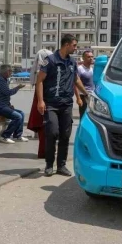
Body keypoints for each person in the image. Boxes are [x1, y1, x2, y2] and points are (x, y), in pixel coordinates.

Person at [35, 35, 87, 177]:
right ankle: (49, 164)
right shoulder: (50, 60)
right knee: (52, 133)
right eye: (74, 45)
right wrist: (40, 101)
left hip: (66, 105)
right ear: (66, 45)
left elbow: (76, 79)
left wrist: (85, 93)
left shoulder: (72, 62)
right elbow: (39, 81)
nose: (75, 48)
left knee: (65, 135)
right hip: (51, 103)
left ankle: (61, 165)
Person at [0, 65, 27, 144]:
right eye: (9, 71)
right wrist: (17, 87)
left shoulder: (4, 80)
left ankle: (17, 135)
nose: (11, 73)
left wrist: (9, 104)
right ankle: (5, 136)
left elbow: (4, 95)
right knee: (18, 116)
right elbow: (7, 92)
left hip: (3, 106)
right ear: (4, 72)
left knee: (21, 114)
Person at [27, 49, 53, 159]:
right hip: (43, 100)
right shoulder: (43, 72)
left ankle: (46, 151)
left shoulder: (43, 70)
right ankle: (44, 152)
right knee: (44, 128)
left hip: (43, 100)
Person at [77, 49, 95, 118]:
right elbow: (75, 84)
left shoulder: (93, 68)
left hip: (92, 96)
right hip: (83, 96)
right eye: (88, 57)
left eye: (92, 57)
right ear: (83, 58)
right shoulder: (80, 69)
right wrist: (78, 98)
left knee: (92, 116)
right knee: (83, 116)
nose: (91, 58)